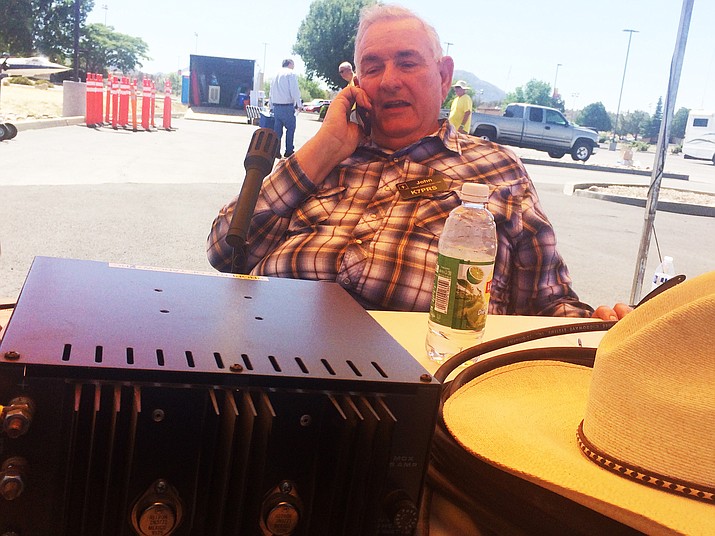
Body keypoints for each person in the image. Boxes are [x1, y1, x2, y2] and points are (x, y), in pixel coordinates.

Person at [207, 4, 629, 321]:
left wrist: (598, 326)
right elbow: (225, 251)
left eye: (408, 62)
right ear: (356, 85)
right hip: (272, 357)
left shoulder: (498, 169)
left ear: (443, 76)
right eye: (373, 67)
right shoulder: (325, 159)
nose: (390, 79)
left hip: (424, 385)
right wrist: (325, 147)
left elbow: (546, 302)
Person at [269, 58, 301, 158]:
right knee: (290, 129)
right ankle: (289, 150)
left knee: (277, 131)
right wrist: (299, 104)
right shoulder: (290, 74)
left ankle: (276, 151)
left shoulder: (275, 75)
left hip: (276, 107)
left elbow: (271, 92)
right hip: (287, 106)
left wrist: (270, 105)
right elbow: (294, 90)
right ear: (290, 64)